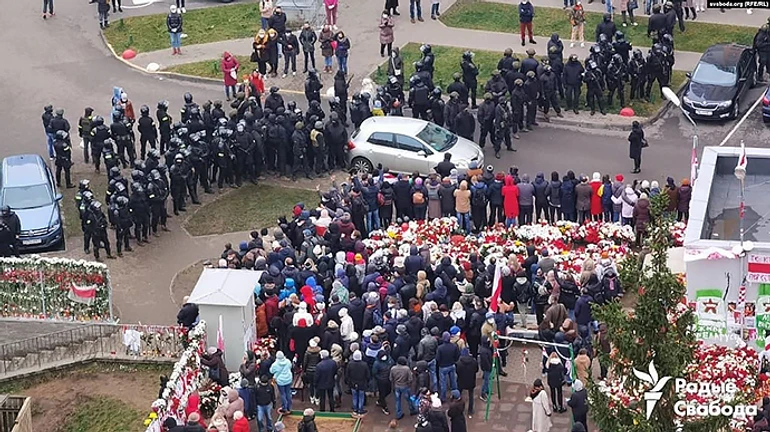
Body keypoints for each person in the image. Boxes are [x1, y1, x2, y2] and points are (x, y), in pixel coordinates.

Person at [346, 350, 371, 417]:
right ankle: (360, 410)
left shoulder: (350, 364)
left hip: (353, 383)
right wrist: (367, 382)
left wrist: (348, 382)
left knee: (354, 396)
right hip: (362, 383)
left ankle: (355, 410)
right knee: (361, 397)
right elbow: (368, 375)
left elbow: (347, 374)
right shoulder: (364, 364)